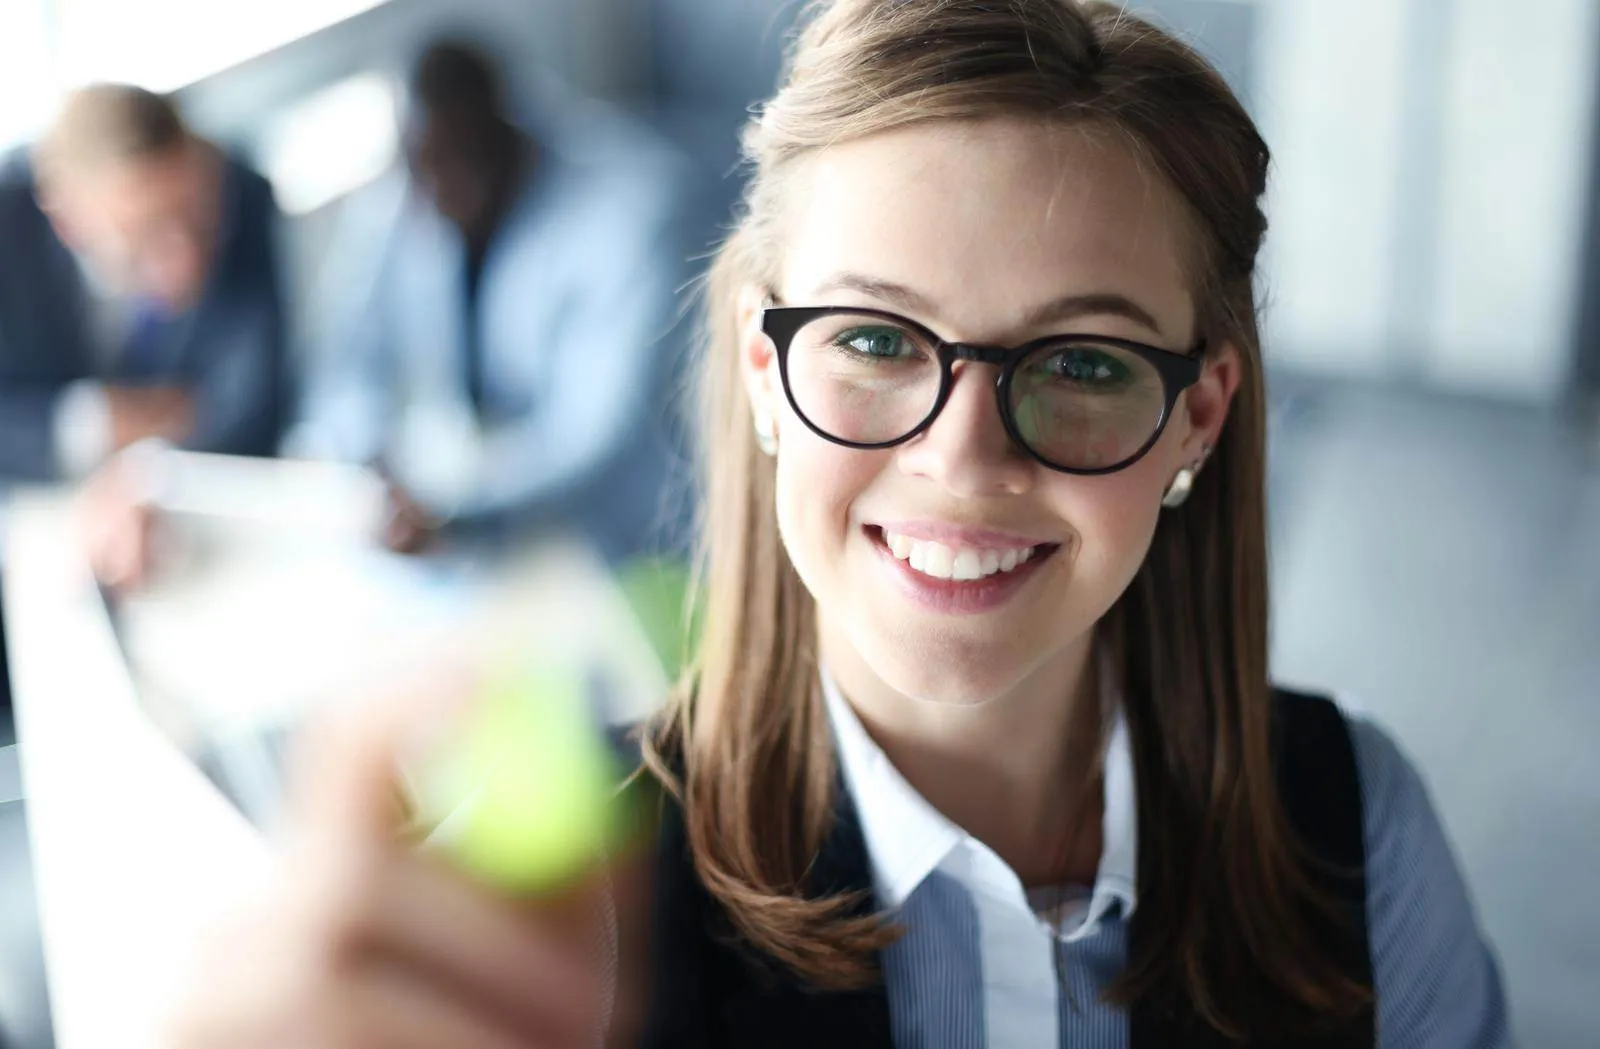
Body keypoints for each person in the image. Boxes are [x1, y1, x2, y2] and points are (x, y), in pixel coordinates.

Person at [169, 3, 1511, 1047]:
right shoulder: (558, 915)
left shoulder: (1357, 826)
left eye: (1086, 363)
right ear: (766, 376)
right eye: (873, 337)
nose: (963, 457)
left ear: (1199, 419)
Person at [288, 40, 692, 562]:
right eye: (425, 172)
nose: (447, 193)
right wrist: (369, 460)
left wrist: (448, 506)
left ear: (509, 129)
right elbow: (345, 357)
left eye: (467, 161)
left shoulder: (631, 211)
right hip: (473, 519)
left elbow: (589, 436)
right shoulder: (411, 187)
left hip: (621, 534)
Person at [0, 83, 287, 483]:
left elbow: (254, 408)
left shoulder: (242, 191)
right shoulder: (7, 226)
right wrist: (95, 424)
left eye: (197, 220)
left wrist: (147, 475)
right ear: (66, 223)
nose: (184, 263)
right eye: (144, 237)